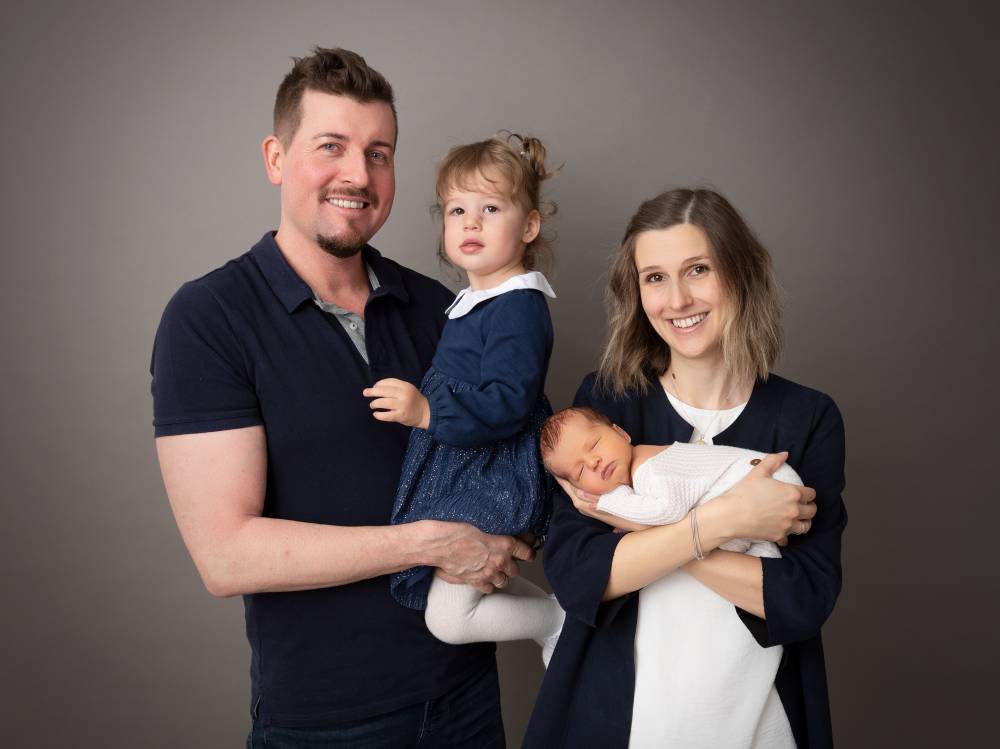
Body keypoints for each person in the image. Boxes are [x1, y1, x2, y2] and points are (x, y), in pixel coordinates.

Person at [150, 47, 534, 748]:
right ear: (276, 158)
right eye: (332, 146)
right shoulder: (209, 318)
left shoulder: (441, 307)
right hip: (325, 722)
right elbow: (226, 556)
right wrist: (429, 544)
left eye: (378, 154)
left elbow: (506, 444)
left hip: (468, 698)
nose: (358, 174)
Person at [524, 188, 845, 749]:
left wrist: (636, 532)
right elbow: (579, 577)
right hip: (622, 721)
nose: (677, 300)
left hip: (755, 724)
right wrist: (726, 521)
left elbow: (801, 601)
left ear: (740, 273)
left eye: (698, 269)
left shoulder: (806, 417)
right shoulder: (607, 405)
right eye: (655, 278)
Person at [363, 134, 566, 662]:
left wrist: (428, 411)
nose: (470, 223)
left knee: (450, 617)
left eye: (490, 208)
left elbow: (509, 402)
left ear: (529, 226)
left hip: (489, 469)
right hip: (467, 460)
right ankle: (557, 623)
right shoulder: (477, 299)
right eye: (457, 210)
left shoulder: (518, 305)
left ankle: (560, 626)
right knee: (468, 583)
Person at [540, 404, 800, 557]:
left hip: (767, 481)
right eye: (581, 472)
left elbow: (668, 511)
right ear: (578, 488)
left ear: (620, 433)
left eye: (594, 444)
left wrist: (608, 504)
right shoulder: (643, 471)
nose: (593, 462)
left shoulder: (650, 467)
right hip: (758, 499)